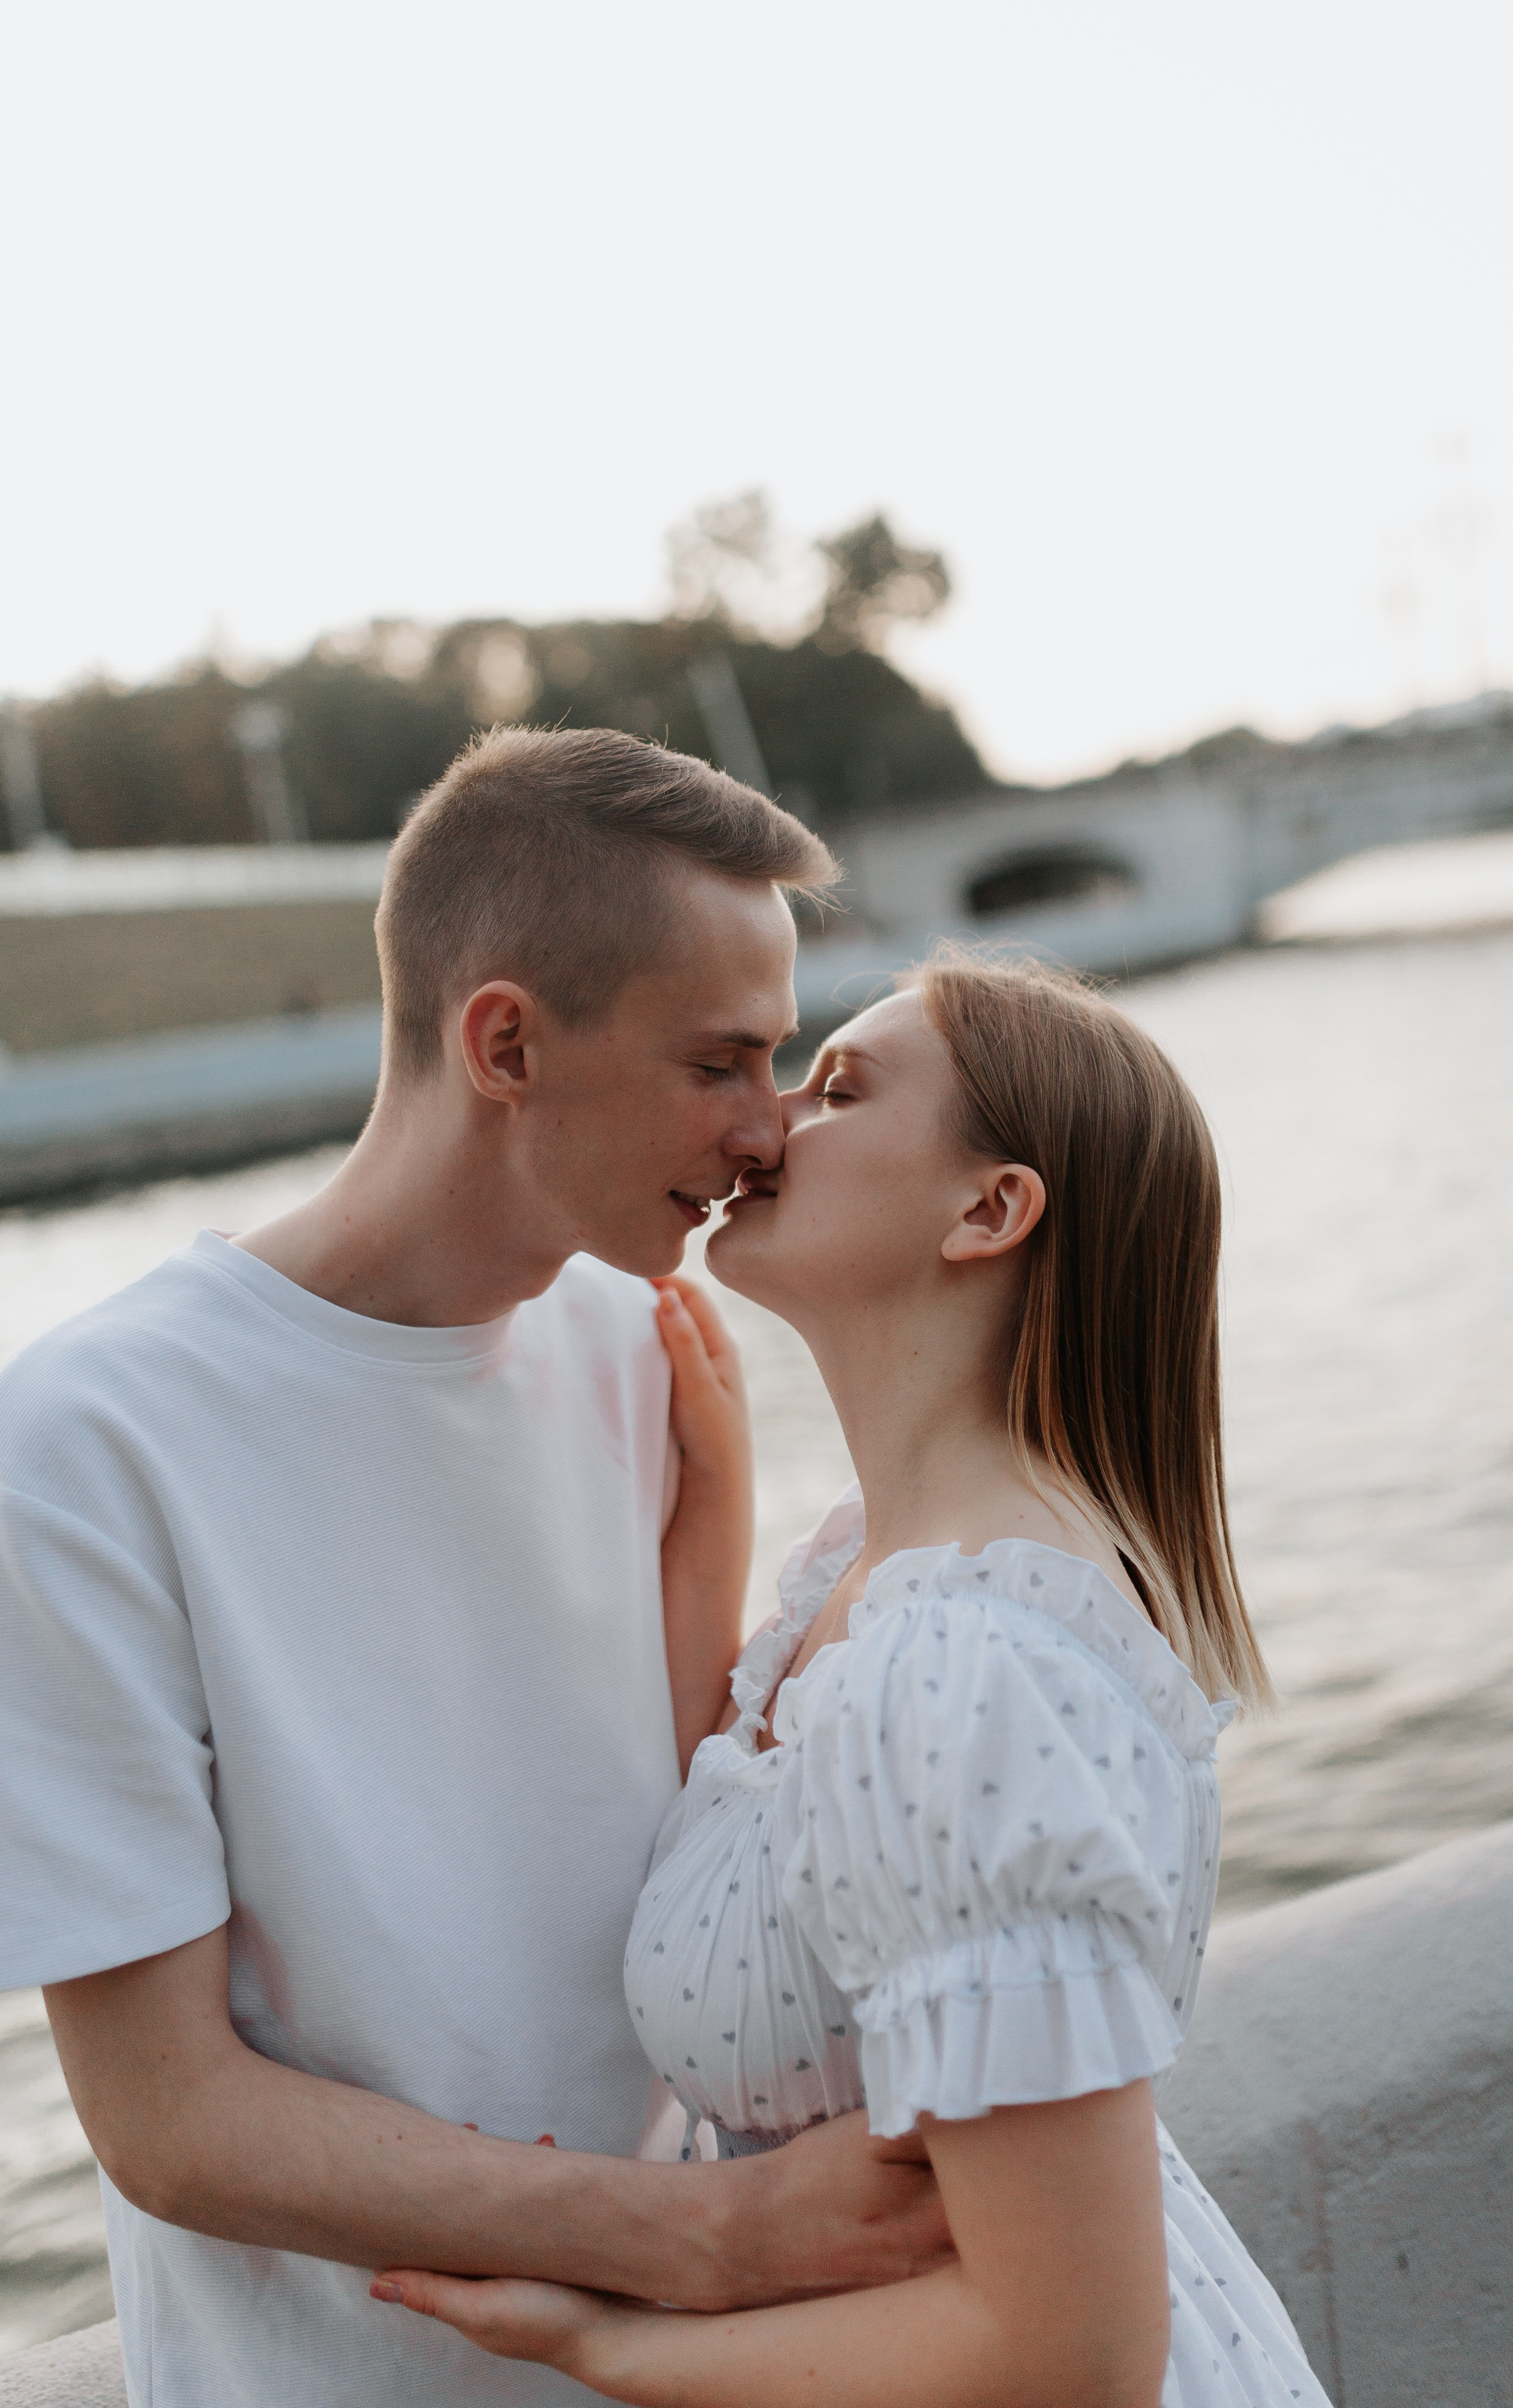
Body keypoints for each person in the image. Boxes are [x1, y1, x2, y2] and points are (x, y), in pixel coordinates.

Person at [0, 727, 951, 2408]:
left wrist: (714, 1538)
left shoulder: (642, 1342)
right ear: (504, 1041)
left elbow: (662, 1863)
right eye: (720, 1062)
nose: (769, 1131)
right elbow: (169, 2118)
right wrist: (705, 2235)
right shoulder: (82, 1445)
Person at [371, 955, 1334, 2407]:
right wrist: (712, 1505)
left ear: (986, 1210)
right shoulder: (881, 1582)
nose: (765, 1126)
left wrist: (601, 2340)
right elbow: (764, 1860)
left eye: (836, 1090)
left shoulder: (966, 1668)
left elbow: (1069, 2358)